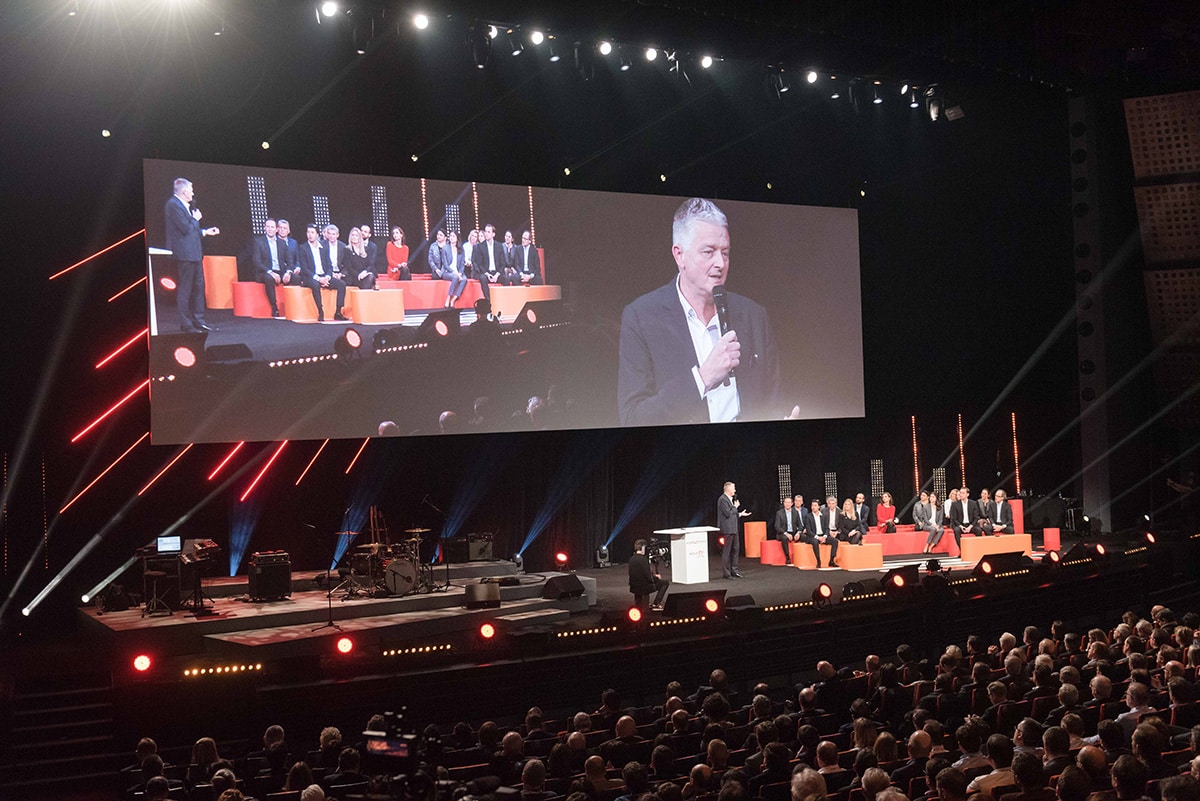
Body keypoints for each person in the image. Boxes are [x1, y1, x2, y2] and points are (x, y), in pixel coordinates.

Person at [618, 198, 796, 427]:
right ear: (679, 255)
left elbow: (773, 403)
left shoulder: (753, 316)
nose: (720, 263)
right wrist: (702, 379)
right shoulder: (642, 317)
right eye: (709, 252)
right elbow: (632, 419)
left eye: (725, 253)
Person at [164, 177, 220, 333]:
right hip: (185, 254)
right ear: (184, 192)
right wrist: (195, 219)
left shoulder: (184, 205)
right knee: (186, 288)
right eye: (191, 190)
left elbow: (192, 231)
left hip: (195, 253)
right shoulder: (173, 204)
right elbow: (185, 228)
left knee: (199, 287)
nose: (193, 193)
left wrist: (205, 232)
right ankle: (186, 323)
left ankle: (199, 321)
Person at [296, 223, 347, 322]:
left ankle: (338, 312)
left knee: (341, 284)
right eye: (308, 232)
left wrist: (327, 277)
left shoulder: (323, 247)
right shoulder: (303, 248)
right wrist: (319, 279)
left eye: (312, 232)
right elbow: (305, 269)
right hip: (311, 277)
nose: (310, 235)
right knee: (315, 285)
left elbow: (329, 265)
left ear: (317, 234)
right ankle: (320, 311)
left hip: (324, 276)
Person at [718, 481, 750, 579]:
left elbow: (732, 514)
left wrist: (740, 514)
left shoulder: (730, 499)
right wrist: (735, 507)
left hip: (734, 528)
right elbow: (727, 513)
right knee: (727, 551)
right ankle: (726, 573)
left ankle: (734, 571)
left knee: (736, 549)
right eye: (733, 488)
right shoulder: (722, 499)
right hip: (727, 529)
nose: (735, 490)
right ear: (728, 489)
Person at [629, 538, 670, 610]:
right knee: (665, 583)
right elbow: (649, 577)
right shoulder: (643, 559)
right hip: (643, 587)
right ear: (643, 548)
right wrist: (656, 578)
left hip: (634, 587)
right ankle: (656, 603)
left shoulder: (631, 559)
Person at [808, 499, 838, 568]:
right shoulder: (808, 516)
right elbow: (809, 531)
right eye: (812, 505)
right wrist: (818, 538)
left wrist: (824, 536)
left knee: (835, 541)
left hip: (823, 536)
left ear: (819, 507)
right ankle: (818, 560)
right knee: (815, 542)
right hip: (814, 536)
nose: (813, 507)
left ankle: (831, 560)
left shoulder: (823, 516)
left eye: (815, 505)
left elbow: (827, 528)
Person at [775, 497, 804, 564]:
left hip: (793, 532)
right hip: (783, 533)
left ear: (792, 504)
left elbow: (800, 525)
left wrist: (798, 533)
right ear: (784, 503)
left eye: (789, 502)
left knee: (804, 536)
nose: (787, 504)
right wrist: (786, 533)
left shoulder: (795, 512)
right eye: (786, 502)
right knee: (784, 538)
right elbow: (777, 527)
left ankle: (803, 556)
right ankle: (787, 557)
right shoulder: (779, 513)